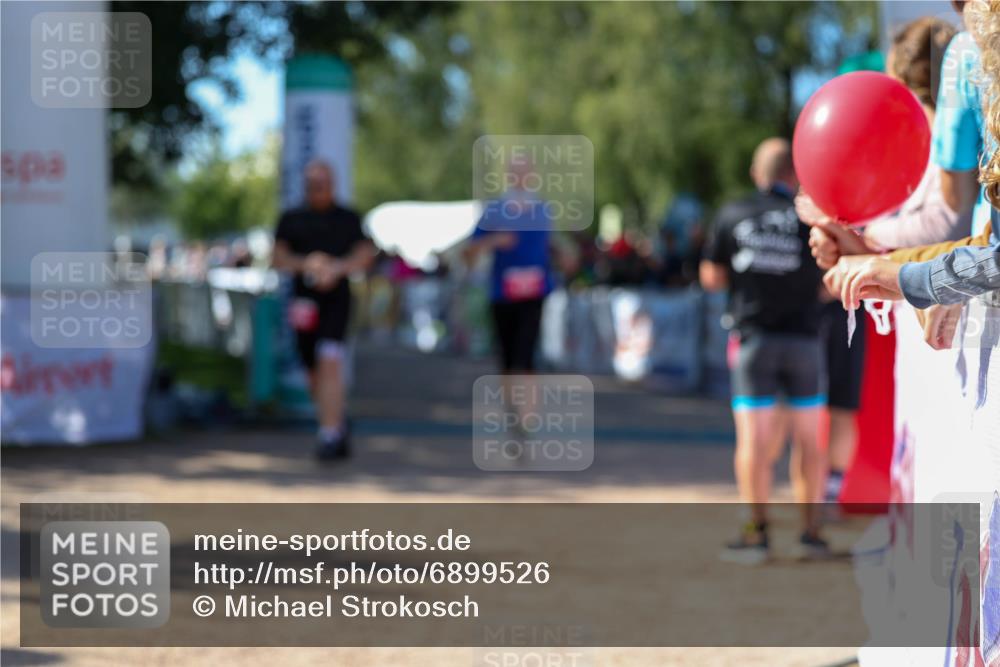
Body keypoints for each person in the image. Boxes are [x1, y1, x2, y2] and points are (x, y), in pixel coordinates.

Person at [796, 16, 961, 505]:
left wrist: (858, 238)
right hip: (918, 319)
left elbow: (946, 227)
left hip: (945, 319)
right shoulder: (918, 144)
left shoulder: (951, 141)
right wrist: (845, 240)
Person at [700, 137, 829, 563]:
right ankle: (810, 533)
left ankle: (757, 534)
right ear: (792, 177)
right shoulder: (810, 217)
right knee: (809, 439)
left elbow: (712, 278)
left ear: (757, 174)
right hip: (805, 341)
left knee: (754, 441)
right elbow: (831, 280)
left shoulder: (732, 213)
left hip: (753, 341)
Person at [272, 160, 376, 461]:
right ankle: (336, 420)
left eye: (323, 183)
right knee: (313, 372)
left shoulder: (347, 218)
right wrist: (309, 263)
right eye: (313, 184)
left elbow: (364, 254)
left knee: (330, 361)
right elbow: (279, 257)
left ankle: (328, 434)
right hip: (303, 304)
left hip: (337, 302)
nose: (318, 189)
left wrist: (337, 267)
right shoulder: (292, 219)